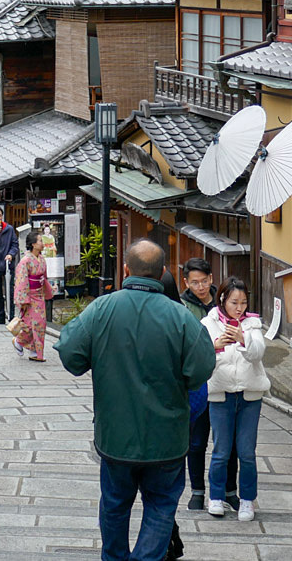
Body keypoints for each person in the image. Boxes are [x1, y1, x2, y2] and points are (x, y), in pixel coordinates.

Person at [54, 239, 216, 561]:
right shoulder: (181, 318)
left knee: (114, 504)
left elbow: (70, 352)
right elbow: (202, 370)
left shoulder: (102, 308)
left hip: (116, 435)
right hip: (167, 439)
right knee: (160, 505)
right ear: (164, 273)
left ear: (126, 269)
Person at [202, 276, 270, 521]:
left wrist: (244, 339)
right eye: (234, 302)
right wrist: (216, 345)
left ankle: (247, 500)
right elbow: (201, 357)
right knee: (221, 450)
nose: (239, 307)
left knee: (247, 452)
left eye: (243, 302)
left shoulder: (252, 324)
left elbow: (258, 354)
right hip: (220, 394)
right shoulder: (209, 323)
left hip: (250, 395)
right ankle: (216, 497)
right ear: (222, 300)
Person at [180, 257, 239, 511]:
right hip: (198, 382)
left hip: (225, 380)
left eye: (204, 281)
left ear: (212, 279)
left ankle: (229, 489)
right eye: (195, 282)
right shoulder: (181, 307)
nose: (201, 287)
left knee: (228, 441)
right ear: (186, 282)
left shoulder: (225, 303)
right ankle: (197, 490)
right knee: (196, 441)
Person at [12, 230, 55, 362]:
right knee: (31, 324)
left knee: (39, 323)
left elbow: (44, 278)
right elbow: (21, 281)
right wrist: (23, 299)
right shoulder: (25, 261)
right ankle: (21, 342)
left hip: (39, 295)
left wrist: (50, 289)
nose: (42, 243)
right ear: (33, 244)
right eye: (40, 241)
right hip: (29, 296)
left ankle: (33, 349)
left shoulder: (41, 259)